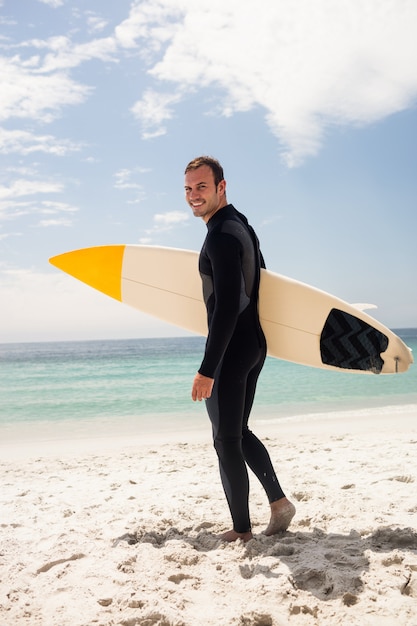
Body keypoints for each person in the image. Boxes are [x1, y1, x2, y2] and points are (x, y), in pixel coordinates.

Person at [184, 156, 295, 543]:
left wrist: (207, 368)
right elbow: (261, 278)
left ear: (221, 187)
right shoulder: (241, 225)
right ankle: (279, 503)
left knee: (224, 438)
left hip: (232, 349)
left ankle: (242, 530)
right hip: (253, 344)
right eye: (188, 188)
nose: (194, 195)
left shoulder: (219, 235)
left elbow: (229, 304)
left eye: (201, 187)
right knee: (237, 430)